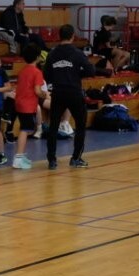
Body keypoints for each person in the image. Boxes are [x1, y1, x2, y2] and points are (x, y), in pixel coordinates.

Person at [44, 24, 95, 169]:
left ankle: (52, 160)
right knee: (80, 125)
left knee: (53, 126)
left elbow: (46, 75)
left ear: (59, 36)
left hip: (58, 93)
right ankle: (76, 158)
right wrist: (76, 74)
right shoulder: (77, 53)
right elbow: (91, 71)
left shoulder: (52, 54)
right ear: (72, 36)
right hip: (74, 92)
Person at [11, 45, 45, 170]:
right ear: (38, 57)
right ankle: (18, 158)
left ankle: (21, 155)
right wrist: (44, 94)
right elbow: (37, 90)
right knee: (25, 130)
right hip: (28, 105)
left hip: (19, 103)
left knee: (25, 129)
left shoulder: (23, 71)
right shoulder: (37, 72)